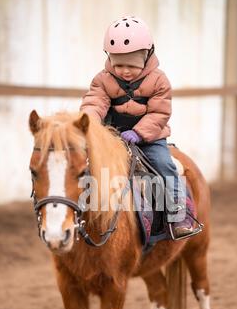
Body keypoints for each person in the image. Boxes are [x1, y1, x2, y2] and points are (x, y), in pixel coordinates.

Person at [80, 15, 194, 238]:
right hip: (113, 137)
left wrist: (139, 133)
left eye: (131, 65)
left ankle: (180, 214)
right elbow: (95, 102)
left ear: (147, 56)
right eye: (118, 64)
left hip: (150, 137)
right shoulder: (102, 80)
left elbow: (160, 112)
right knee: (84, 167)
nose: (124, 71)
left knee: (164, 165)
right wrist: (88, 123)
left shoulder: (160, 81)